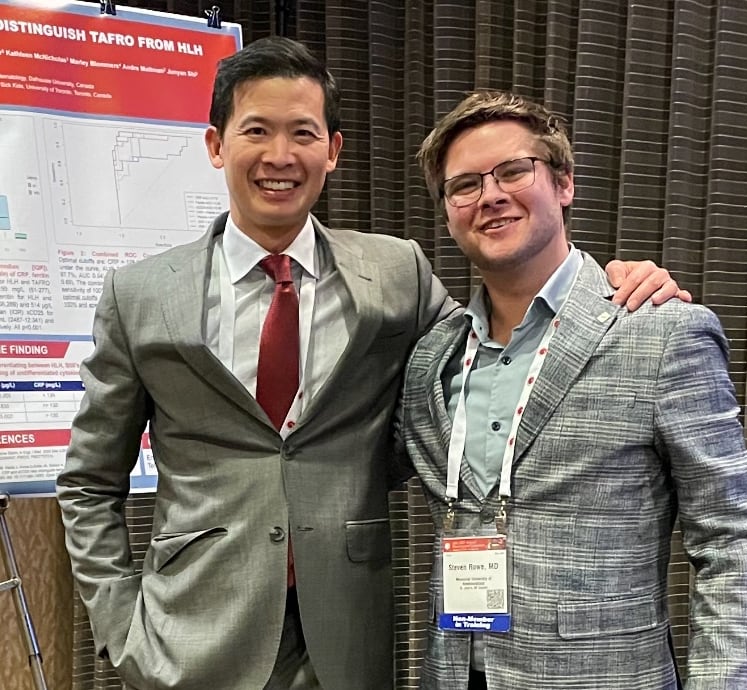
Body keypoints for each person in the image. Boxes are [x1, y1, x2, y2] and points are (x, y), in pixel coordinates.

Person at [56, 38, 687, 690]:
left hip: (345, 641)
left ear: (332, 150)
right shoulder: (140, 296)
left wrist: (615, 283)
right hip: (188, 641)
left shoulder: (395, 275)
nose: (280, 156)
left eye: (302, 133)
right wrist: (120, 625)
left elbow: (498, 345)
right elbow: (88, 482)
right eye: (256, 131)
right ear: (216, 145)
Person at [398, 90, 747, 689]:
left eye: (514, 172)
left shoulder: (660, 332)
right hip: (456, 674)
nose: (490, 196)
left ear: (564, 183)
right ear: (447, 210)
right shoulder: (431, 360)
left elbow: (731, 539)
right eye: (464, 185)